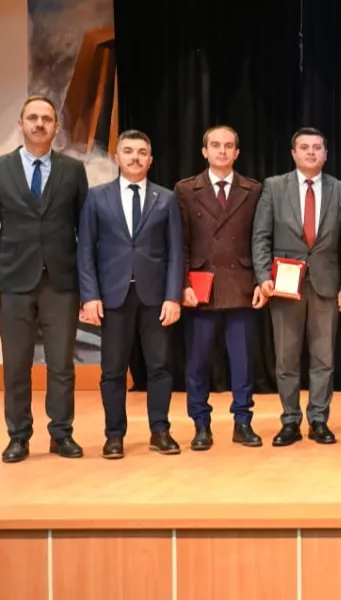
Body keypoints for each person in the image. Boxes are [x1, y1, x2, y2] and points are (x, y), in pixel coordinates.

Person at [77, 130, 184, 459]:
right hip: (113, 296)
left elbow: (176, 252)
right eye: (128, 151)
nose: (135, 157)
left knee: (160, 366)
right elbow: (85, 251)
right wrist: (90, 296)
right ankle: (114, 435)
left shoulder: (166, 198)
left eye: (141, 152)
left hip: (156, 297)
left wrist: (173, 296)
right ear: (117, 157)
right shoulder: (97, 197)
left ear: (150, 160)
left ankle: (160, 430)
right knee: (112, 369)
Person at [251, 127, 341, 447]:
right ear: (293, 153)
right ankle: (290, 420)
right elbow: (261, 237)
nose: (311, 152)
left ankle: (319, 420)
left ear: (325, 154)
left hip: (327, 285)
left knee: (324, 358)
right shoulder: (274, 187)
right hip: (285, 286)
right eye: (304, 147)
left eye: (317, 147)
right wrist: (263, 277)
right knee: (286, 358)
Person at [0, 96, 90, 463]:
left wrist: (88, 286)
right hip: (13, 281)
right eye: (33, 118)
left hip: (61, 281)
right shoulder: (2, 169)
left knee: (61, 365)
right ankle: (18, 436)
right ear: (20, 124)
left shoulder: (73, 170)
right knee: (16, 365)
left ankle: (61, 433)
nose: (40, 124)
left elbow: (85, 230)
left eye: (47, 119)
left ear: (56, 126)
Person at [174, 125, 265, 450]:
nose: (222, 151)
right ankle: (201, 424)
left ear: (237, 153)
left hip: (241, 285)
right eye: (216, 145)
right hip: (201, 287)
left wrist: (261, 280)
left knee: (243, 361)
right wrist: (182, 283)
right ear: (204, 151)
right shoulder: (186, 189)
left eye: (228, 146)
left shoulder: (253, 190)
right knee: (197, 362)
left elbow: (260, 239)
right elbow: (180, 242)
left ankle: (243, 422)